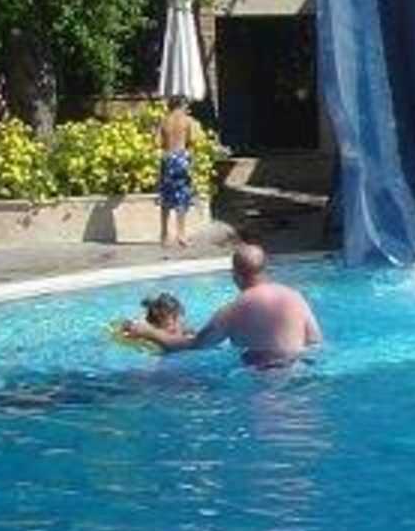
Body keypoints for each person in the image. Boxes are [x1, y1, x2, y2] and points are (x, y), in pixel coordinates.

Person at [123, 243, 322, 368]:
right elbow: (315, 341)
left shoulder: (234, 310)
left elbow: (195, 346)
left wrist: (149, 332)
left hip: (264, 380)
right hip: (299, 370)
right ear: (265, 269)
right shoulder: (295, 297)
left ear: (235, 275)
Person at [158, 95, 197, 250]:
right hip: (181, 159)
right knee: (182, 198)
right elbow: (193, 140)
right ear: (181, 105)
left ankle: (164, 234)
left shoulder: (164, 121)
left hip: (167, 158)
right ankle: (181, 234)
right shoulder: (187, 121)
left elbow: (157, 142)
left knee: (166, 198)